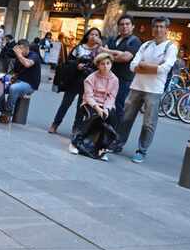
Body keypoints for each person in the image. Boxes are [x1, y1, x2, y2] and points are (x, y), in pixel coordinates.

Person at [110, 16, 177, 163]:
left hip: (154, 90)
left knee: (149, 123)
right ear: (152, 29)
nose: (158, 29)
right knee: (126, 118)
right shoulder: (146, 45)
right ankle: (117, 143)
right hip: (136, 86)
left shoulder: (170, 47)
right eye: (156, 26)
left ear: (167, 29)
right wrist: (152, 67)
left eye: (161, 27)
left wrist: (145, 66)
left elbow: (165, 68)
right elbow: (133, 65)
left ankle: (142, 150)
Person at [49, 27, 103, 135]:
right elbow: (69, 61)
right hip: (75, 79)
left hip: (89, 82)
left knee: (81, 107)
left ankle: (76, 128)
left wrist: (101, 46)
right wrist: (76, 65)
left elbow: (104, 63)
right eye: (92, 34)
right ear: (87, 35)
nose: (94, 37)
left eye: (97, 35)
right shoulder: (79, 48)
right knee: (66, 103)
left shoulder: (100, 50)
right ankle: (55, 124)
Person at [69, 52, 119, 160]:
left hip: (106, 105)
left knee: (112, 118)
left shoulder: (115, 80)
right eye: (102, 64)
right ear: (98, 65)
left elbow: (112, 97)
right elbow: (88, 96)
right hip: (89, 103)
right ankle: (75, 142)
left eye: (108, 63)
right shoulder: (91, 78)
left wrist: (105, 109)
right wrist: (97, 107)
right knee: (94, 116)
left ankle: (102, 148)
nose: (105, 66)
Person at [103, 15, 142, 119]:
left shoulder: (135, 41)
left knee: (118, 106)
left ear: (133, 26)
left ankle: (115, 133)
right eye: (121, 24)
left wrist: (108, 54)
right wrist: (116, 53)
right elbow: (102, 52)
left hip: (123, 80)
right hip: (108, 77)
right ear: (118, 27)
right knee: (104, 103)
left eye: (127, 24)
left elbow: (125, 58)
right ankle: (99, 131)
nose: (124, 26)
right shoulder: (112, 39)